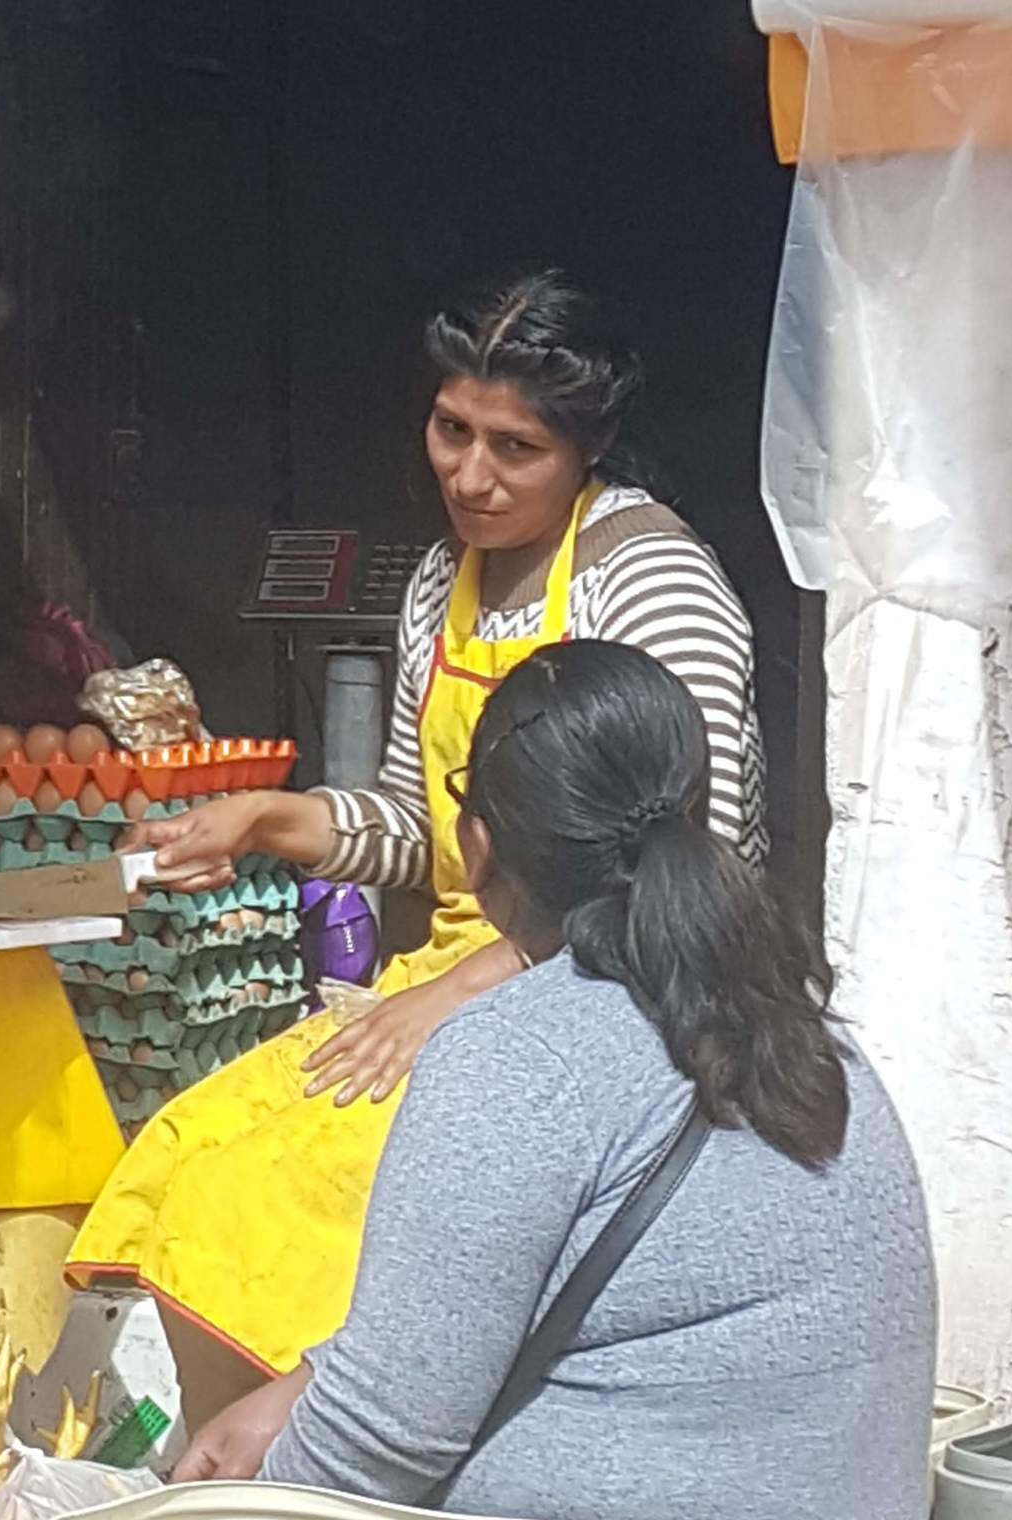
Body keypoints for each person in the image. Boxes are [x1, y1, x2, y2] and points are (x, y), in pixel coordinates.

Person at [69, 269, 770, 1430]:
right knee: (192, 1143)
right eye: (451, 431)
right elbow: (420, 826)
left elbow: (696, 864)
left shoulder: (650, 580)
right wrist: (270, 818)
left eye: (514, 447)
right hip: (445, 984)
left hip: (606, 999)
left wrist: (459, 993)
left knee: (287, 1191)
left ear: (584, 451)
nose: (470, 475)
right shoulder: (444, 580)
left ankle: (293, 1463)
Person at [176, 641, 936, 1520]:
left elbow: (380, 1441)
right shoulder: (816, 1034)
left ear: (479, 848)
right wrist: (308, 1385)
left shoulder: (519, 1054)